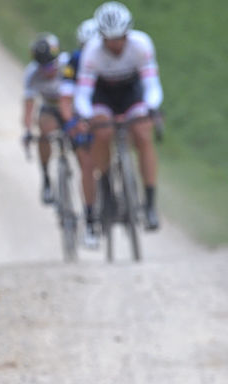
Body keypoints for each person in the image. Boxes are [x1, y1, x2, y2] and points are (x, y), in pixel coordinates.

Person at [73, 1, 163, 230]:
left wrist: (152, 107)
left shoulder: (141, 44)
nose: (114, 44)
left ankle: (150, 204)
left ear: (127, 32)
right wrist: (85, 116)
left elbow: (151, 84)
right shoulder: (92, 51)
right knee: (101, 133)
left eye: (119, 38)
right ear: (101, 36)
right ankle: (105, 187)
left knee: (143, 134)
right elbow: (83, 93)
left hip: (131, 93)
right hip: (103, 95)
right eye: (108, 39)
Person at [60, 18, 101, 247]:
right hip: (83, 116)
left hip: (104, 113)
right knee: (86, 164)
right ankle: (91, 220)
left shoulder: (109, 59)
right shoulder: (73, 62)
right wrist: (72, 121)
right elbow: (65, 99)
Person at [21, 32, 70, 205]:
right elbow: (28, 106)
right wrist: (27, 131)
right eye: (44, 68)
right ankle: (47, 179)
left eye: (51, 67)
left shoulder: (68, 64)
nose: (48, 72)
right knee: (43, 132)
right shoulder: (31, 73)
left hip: (71, 107)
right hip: (50, 108)